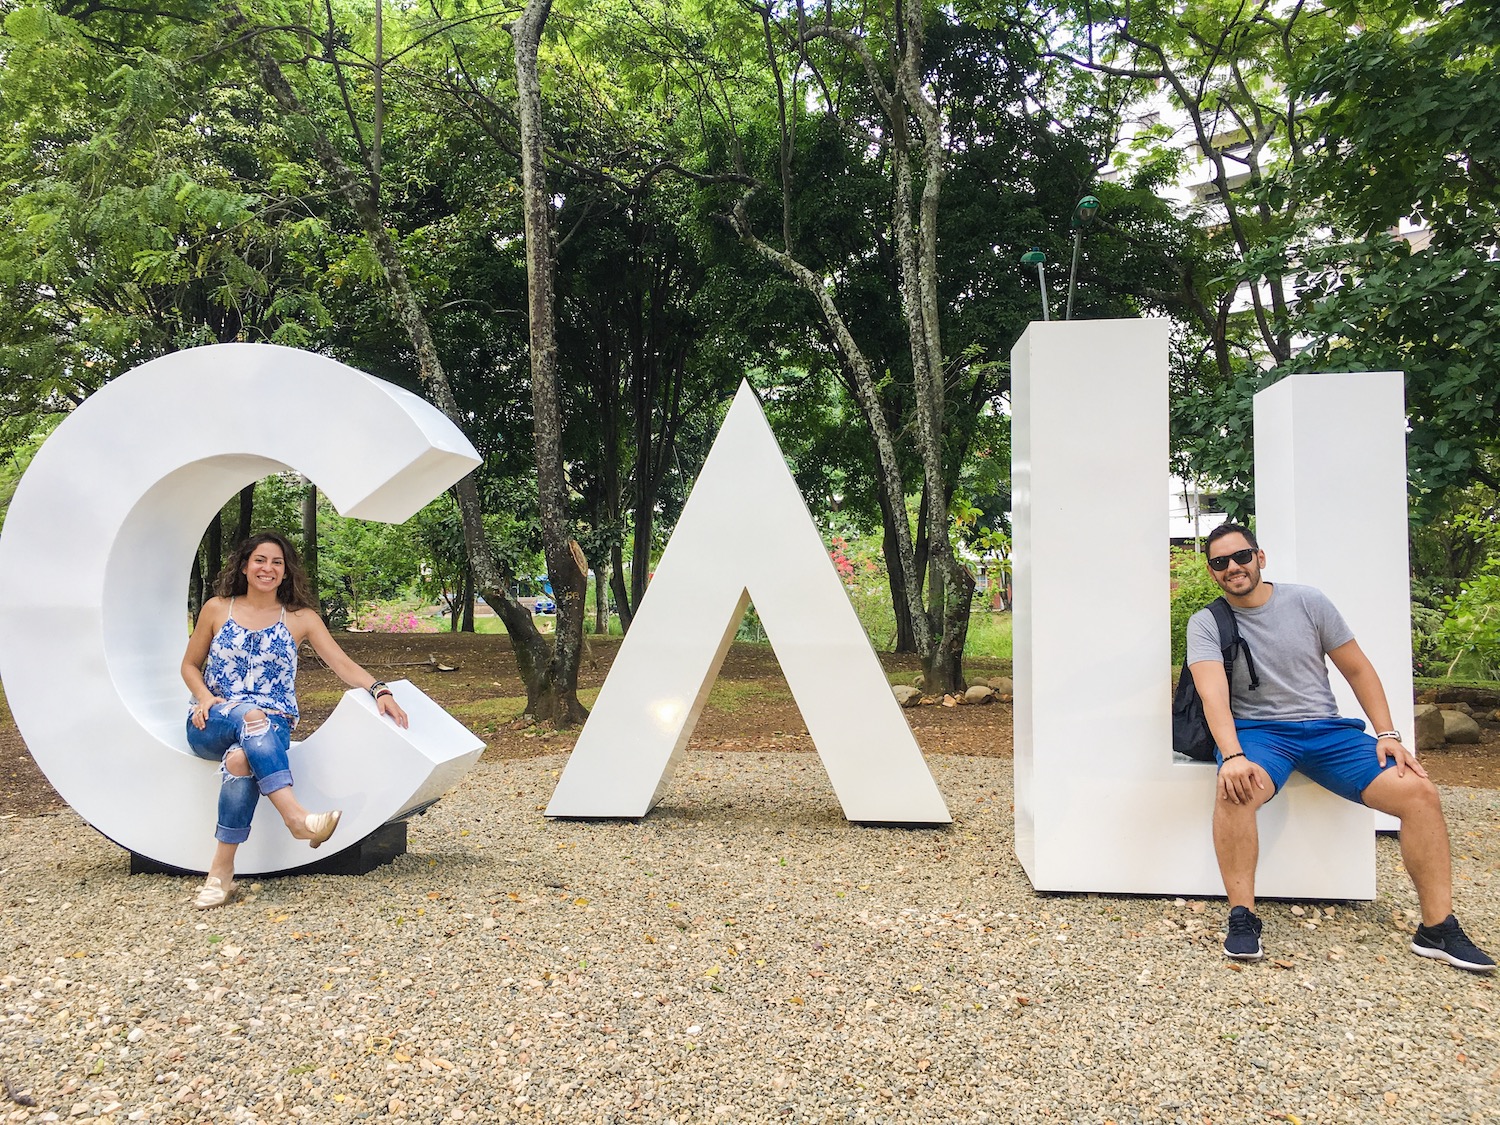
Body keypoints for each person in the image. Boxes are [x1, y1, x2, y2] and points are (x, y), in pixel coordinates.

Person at [1187, 522, 1493, 972]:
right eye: (1221, 562)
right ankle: (1243, 916)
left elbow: (1357, 669)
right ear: (1213, 572)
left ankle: (1438, 927)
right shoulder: (1207, 622)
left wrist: (1388, 734)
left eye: (1241, 556)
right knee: (1235, 789)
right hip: (1261, 733)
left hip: (1329, 732)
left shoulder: (1307, 602)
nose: (1233, 567)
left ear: (1260, 557)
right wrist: (1232, 756)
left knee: (1419, 792)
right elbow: (1213, 694)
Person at [181, 531, 408, 909]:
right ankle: (297, 819)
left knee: (241, 760)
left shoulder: (301, 618)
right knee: (251, 715)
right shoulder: (217, 608)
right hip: (213, 719)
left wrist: (379, 689)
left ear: (286, 573)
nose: (267, 568)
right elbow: (190, 665)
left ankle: (220, 874)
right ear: (244, 565)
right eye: (259, 560)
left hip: (271, 727)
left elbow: (341, 664)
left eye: (277, 563)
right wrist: (205, 697)